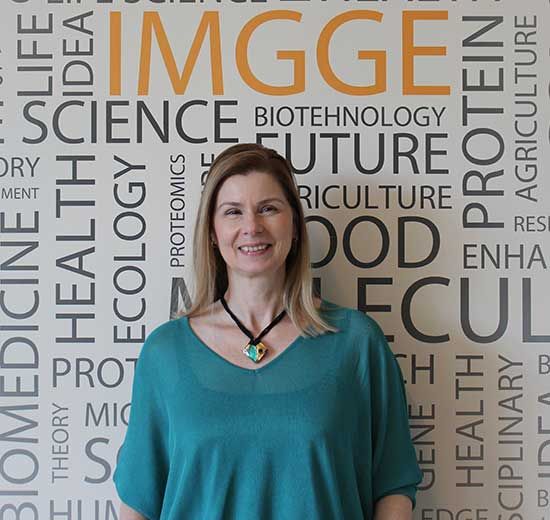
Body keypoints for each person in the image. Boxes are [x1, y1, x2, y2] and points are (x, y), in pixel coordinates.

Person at [113, 143, 422, 520]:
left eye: (268, 209)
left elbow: (393, 486)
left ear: (294, 225)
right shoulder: (165, 353)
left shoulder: (357, 344)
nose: (252, 227)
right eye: (233, 211)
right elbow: (138, 505)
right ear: (212, 232)